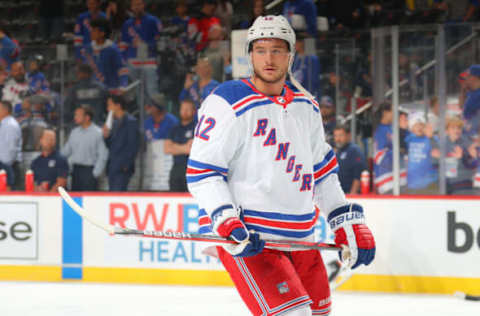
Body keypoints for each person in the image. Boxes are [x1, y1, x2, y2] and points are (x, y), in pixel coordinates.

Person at [187, 15, 375, 316]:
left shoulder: (306, 105)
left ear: (291, 54)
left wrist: (344, 220)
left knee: (317, 313)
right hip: (251, 239)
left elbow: (322, 174)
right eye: (260, 50)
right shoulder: (227, 101)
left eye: (277, 49)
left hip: (302, 238)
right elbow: (203, 171)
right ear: (250, 54)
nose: (269, 58)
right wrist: (225, 220)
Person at [120, 0, 162, 103]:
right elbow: (123, 45)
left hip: (149, 61)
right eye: (134, 5)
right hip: (133, 62)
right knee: (139, 92)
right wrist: (124, 62)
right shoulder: (127, 24)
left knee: (152, 91)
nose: (137, 7)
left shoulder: (153, 21)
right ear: (131, 7)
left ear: (143, 5)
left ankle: (157, 117)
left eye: (139, 4)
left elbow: (160, 41)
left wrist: (145, 44)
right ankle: (144, 118)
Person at [61, 105, 108, 191]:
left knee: (89, 201)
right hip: (75, 171)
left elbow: (103, 155)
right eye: (75, 115)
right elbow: (66, 151)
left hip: (90, 171)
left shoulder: (98, 133)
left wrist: (95, 174)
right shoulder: (74, 132)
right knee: (75, 201)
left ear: (87, 117)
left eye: (78, 115)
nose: (75, 117)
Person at [80, 17, 129, 93]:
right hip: (93, 91)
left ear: (102, 33)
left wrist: (123, 85)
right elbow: (84, 71)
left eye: (94, 30)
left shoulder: (112, 49)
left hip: (110, 90)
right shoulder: (87, 49)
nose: (91, 32)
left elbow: (122, 69)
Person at [432, 116, 478, 195]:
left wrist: (465, 157)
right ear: (447, 130)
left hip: (463, 182)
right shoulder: (440, 144)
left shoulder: (467, 143)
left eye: (459, 128)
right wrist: (440, 158)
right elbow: (435, 165)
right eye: (453, 128)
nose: (456, 130)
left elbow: (474, 165)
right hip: (445, 184)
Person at [103, 94, 139, 191]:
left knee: (118, 194)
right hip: (112, 166)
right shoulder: (113, 123)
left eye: (110, 105)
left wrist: (126, 165)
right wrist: (106, 136)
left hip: (122, 167)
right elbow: (110, 145)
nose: (108, 109)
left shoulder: (131, 122)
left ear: (118, 105)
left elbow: (133, 145)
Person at [164, 99, 195, 192]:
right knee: (173, 197)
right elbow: (167, 149)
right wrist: (184, 147)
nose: (184, 111)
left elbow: (191, 149)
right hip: (176, 168)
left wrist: (175, 146)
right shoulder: (174, 128)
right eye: (183, 109)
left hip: (191, 168)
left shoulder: (197, 127)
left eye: (187, 109)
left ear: (194, 111)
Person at [404, 112, 438, 194]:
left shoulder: (432, 138)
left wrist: (431, 137)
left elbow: (439, 152)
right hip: (412, 183)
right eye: (416, 125)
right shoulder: (408, 138)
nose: (419, 127)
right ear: (411, 128)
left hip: (430, 184)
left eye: (421, 125)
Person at [333, 125, 367, 194]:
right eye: (336, 136)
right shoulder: (338, 152)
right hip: (340, 194)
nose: (338, 139)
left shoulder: (354, 151)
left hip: (349, 194)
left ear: (348, 136)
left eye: (341, 135)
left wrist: (352, 194)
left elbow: (358, 174)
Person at [291, 33, 320, 100]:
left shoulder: (312, 59)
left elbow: (314, 79)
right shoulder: (294, 58)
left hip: (308, 94)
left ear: (302, 43)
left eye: (296, 42)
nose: (294, 45)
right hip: (295, 93)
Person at [0, 100, 21, 188]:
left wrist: (4, 168)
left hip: (8, 167)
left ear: (5, 110)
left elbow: (11, 150)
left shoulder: (10, 125)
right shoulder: (4, 124)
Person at [462, 64, 480, 140]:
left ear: (475, 77)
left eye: (469, 76)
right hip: (467, 132)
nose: (466, 78)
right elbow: (461, 107)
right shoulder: (471, 92)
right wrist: (462, 90)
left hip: (475, 137)